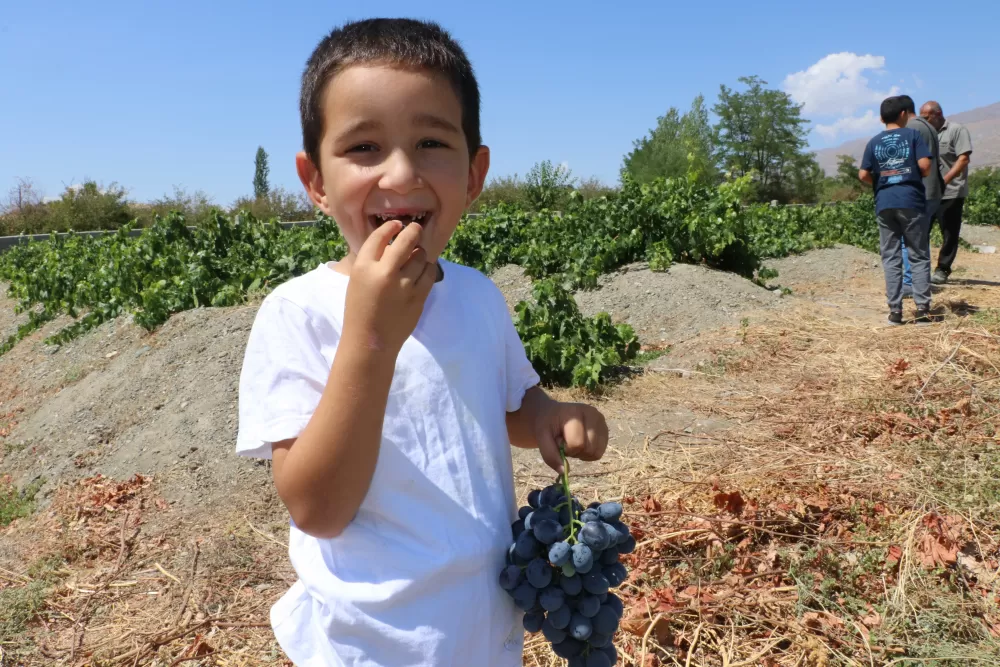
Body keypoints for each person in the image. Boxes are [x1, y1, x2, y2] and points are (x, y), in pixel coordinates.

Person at [234, 18, 609, 667]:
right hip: (368, 646)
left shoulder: (477, 296)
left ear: (474, 173)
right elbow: (317, 507)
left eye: (432, 141)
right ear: (315, 181)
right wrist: (372, 336)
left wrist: (552, 417)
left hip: (482, 633)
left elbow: (511, 404)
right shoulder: (299, 314)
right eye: (364, 148)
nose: (402, 172)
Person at [859, 96, 934, 325]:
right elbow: (925, 166)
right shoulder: (913, 135)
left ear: (882, 118)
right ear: (904, 114)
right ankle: (922, 311)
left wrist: (883, 182)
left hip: (885, 203)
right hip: (911, 200)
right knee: (918, 254)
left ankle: (895, 312)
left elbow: (863, 174)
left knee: (890, 257)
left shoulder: (873, 142)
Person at [920, 100, 974, 284]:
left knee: (949, 232)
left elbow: (963, 159)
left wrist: (944, 180)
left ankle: (943, 269)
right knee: (921, 230)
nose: (925, 121)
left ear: (938, 113)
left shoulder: (956, 130)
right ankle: (920, 270)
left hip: (951, 191)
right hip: (928, 192)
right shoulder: (925, 133)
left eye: (927, 117)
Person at [897, 94, 943, 298]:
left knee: (909, 241)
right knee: (920, 240)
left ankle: (910, 285)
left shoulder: (913, 128)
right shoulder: (928, 127)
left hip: (921, 192)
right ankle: (921, 282)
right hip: (932, 190)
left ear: (903, 113)